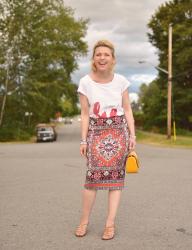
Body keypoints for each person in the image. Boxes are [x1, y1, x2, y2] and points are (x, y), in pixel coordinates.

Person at [75, 40, 136, 240]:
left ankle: (110, 224)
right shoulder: (85, 82)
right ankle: (84, 221)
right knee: (92, 181)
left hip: (119, 133)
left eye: (106, 54)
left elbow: (127, 109)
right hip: (95, 133)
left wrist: (132, 136)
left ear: (113, 59)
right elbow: (85, 113)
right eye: (98, 54)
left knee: (115, 182)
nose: (102, 57)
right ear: (94, 59)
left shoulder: (121, 82)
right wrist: (83, 140)